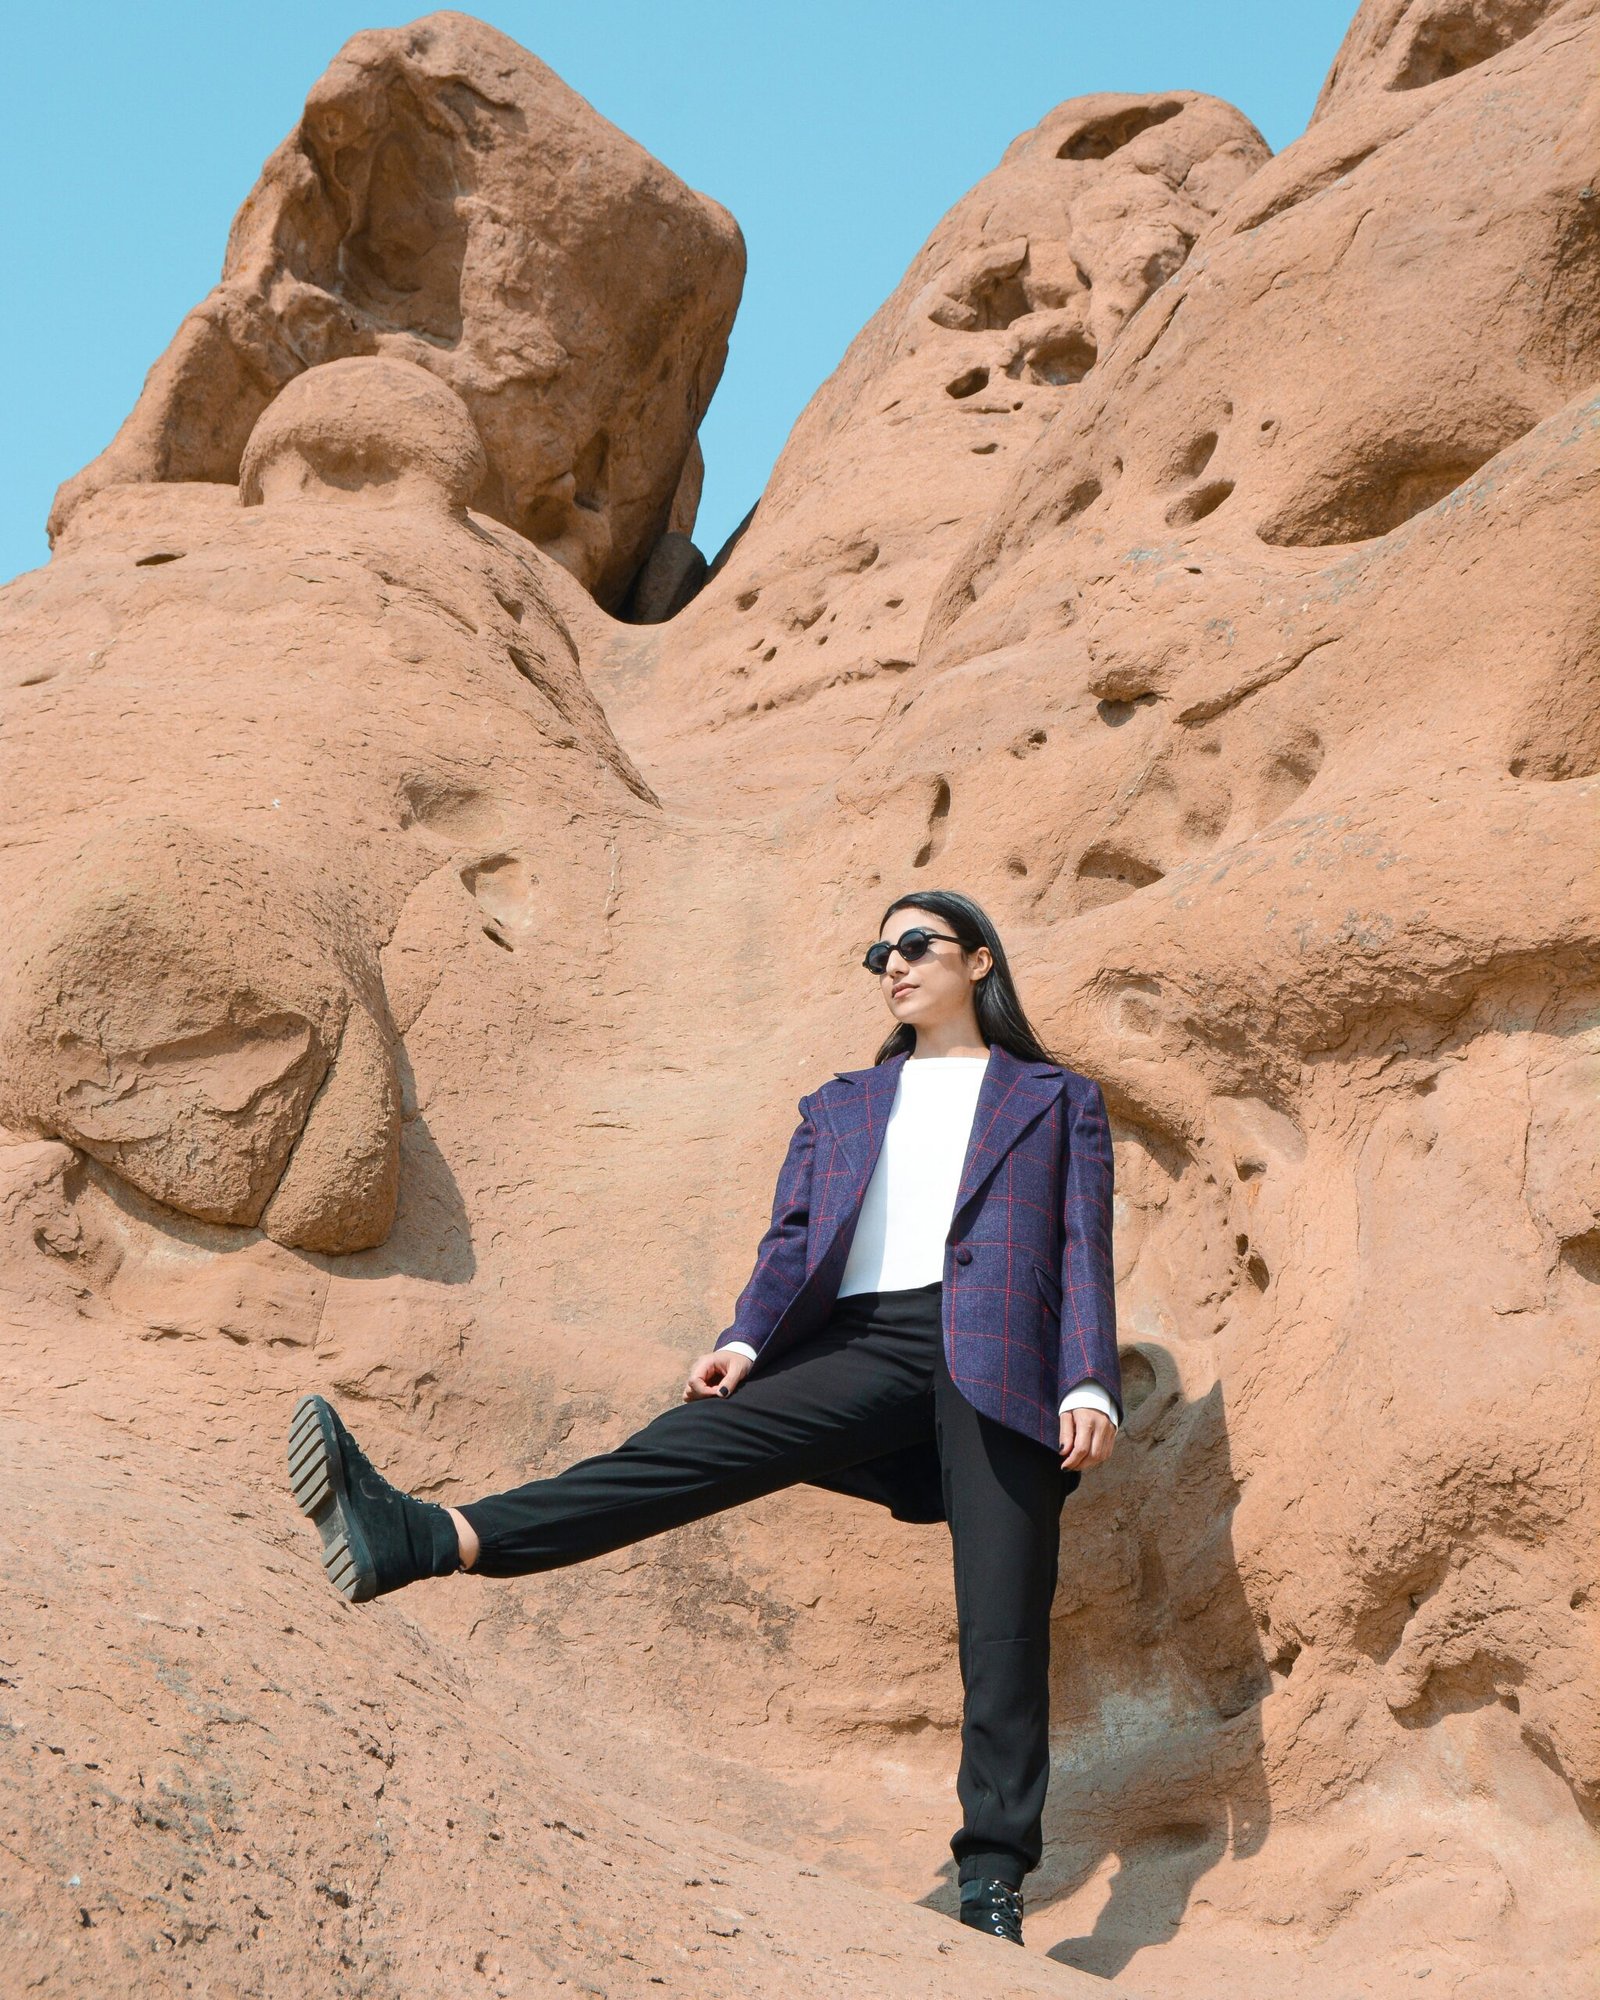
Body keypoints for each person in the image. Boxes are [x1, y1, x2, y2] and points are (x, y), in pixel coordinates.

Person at [287, 888, 1120, 1947]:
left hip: (1000, 1362)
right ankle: (432, 1535)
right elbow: (791, 1240)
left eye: (916, 944)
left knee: (1001, 1620)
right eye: (879, 951)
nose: (893, 965)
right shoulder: (844, 1102)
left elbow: (1082, 1247)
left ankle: (992, 1884)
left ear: (980, 962)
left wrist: (1086, 1380)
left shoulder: (1052, 1097)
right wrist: (744, 1339)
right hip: (863, 1343)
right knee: (687, 1446)